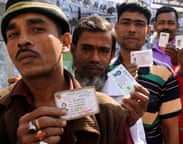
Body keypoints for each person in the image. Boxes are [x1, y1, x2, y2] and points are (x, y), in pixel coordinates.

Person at [0, 0, 149, 144]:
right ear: (72, 48)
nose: (22, 40)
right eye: (13, 34)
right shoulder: (3, 106)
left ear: (64, 42)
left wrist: (119, 124)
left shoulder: (110, 114)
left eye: (37, 29)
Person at [103, 2, 181, 144]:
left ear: (148, 30)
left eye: (139, 24)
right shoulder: (103, 71)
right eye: (126, 23)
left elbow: (171, 130)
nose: (132, 29)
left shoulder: (164, 74)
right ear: (116, 27)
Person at [70, 15, 149, 143]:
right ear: (73, 50)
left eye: (103, 51)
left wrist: (131, 123)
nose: (95, 58)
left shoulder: (126, 89)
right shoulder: (60, 87)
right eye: (87, 49)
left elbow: (138, 140)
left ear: (112, 54)